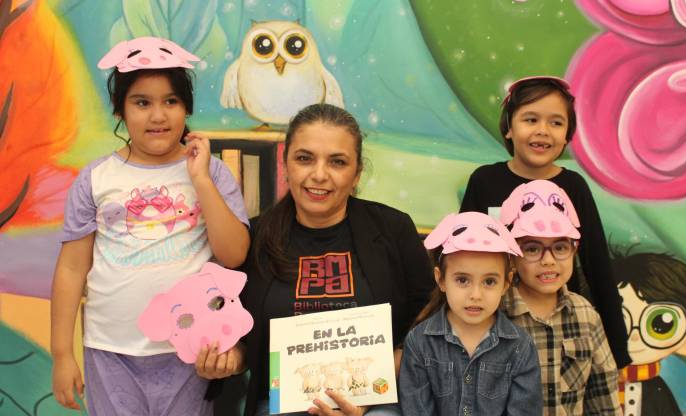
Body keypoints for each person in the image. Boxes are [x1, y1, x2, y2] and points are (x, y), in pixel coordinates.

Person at [50, 37, 250, 415]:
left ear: (186, 108)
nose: (158, 116)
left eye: (170, 101)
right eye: (142, 102)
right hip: (111, 352)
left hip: (192, 351)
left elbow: (235, 253)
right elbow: (72, 269)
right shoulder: (96, 179)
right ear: (120, 111)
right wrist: (62, 354)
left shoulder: (213, 173)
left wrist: (201, 181)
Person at [237, 103, 435, 416]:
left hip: (373, 405)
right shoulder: (252, 237)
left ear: (357, 173)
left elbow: (428, 317)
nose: (319, 175)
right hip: (280, 406)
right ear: (285, 164)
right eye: (304, 158)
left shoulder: (393, 229)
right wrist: (229, 355)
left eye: (337, 162)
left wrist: (371, 391)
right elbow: (239, 336)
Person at [460, 76, 630, 369]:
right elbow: (462, 258)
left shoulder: (573, 186)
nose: (543, 131)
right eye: (530, 119)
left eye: (555, 122)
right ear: (509, 128)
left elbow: (598, 267)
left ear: (567, 135)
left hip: (561, 330)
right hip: (497, 326)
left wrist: (618, 353)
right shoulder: (485, 181)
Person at [398, 211, 542, 415]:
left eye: (489, 282)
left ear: (506, 283)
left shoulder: (521, 347)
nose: (476, 295)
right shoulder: (419, 343)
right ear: (441, 280)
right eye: (462, 280)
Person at [500, 179, 620, 415]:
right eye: (532, 248)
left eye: (560, 247)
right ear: (512, 255)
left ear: (574, 250)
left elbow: (604, 395)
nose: (548, 260)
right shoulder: (494, 314)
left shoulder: (585, 314)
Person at [612, 251, 686, 416]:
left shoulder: (656, 392)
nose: (634, 336)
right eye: (619, 321)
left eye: (660, 324)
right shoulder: (589, 382)